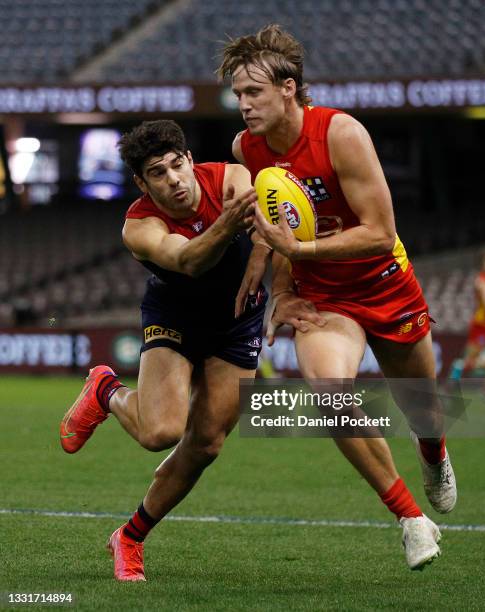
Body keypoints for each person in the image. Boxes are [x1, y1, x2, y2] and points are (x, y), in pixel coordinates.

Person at [218, 24, 456, 570]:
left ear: (288, 87)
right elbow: (276, 227)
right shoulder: (246, 148)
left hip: (384, 283)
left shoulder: (341, 133)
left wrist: (296, 252)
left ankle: (434, 455)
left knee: (423, 409)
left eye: (253, 92)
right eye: (237, 95)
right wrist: (282, 290)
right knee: (329, 392)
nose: (243, 105)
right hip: (324, 298)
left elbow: (378, 230)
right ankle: (411, 519)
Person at [59, 119, 274, 582]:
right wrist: (228, 224)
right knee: (159, 432)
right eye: (158, 173)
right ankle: (107, 391)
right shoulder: (140, 226)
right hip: (175, 319)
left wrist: (259, 248)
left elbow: (270, 221)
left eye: (178, 165)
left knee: (207, 444)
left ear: (191, 160)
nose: (174, 179)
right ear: (142, 182)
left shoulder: (232, 178)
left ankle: (131, 536)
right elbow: (190, 260)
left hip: (238, 322)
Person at [461, 249, 485, 377]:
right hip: (482, 325)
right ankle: (451, 383)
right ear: (484, 263)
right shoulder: (482, 280)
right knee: (470, 360)